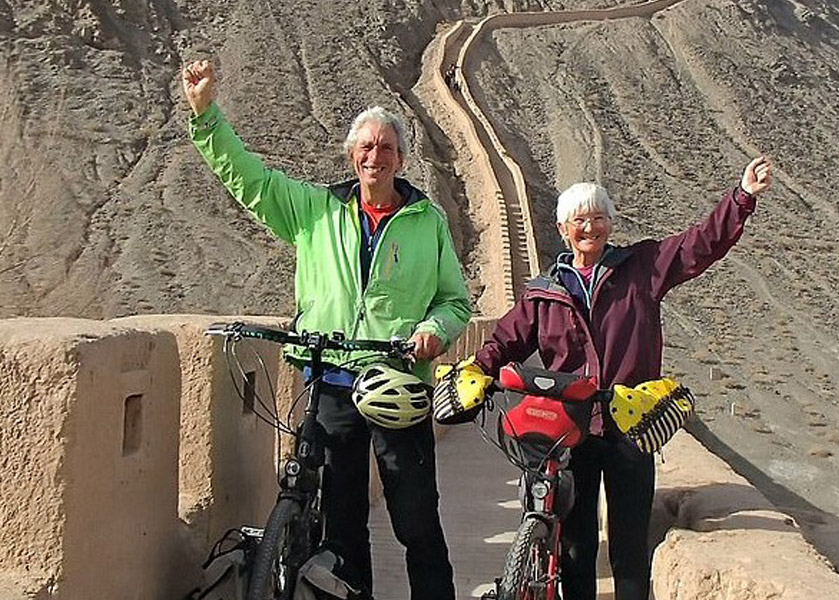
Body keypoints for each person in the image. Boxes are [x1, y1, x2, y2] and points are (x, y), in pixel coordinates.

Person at [182, 59, 471, 599]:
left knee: (415, 521)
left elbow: (455, 301)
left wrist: (435, 329)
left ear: (401, 158)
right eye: (365, 147)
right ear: (351, 155)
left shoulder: (426, 221)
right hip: (332, 384)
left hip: (396, 388)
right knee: (341, 526)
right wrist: (206, 115)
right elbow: (250, 180)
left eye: (385, 147)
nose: (374, 156)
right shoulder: (316, 210)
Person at [468, 158, 773, 599]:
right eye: (579, 220)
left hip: (630, 426)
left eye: (597, 218)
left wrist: (741, 198)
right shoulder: (544, 292)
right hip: (569, 430)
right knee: (576, 544)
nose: (589, 227)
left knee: (629, 547)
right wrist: (476, 370)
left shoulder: (642, 267)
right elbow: (505, 340)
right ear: (561, 228)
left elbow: (701, 245)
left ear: (610, 223)